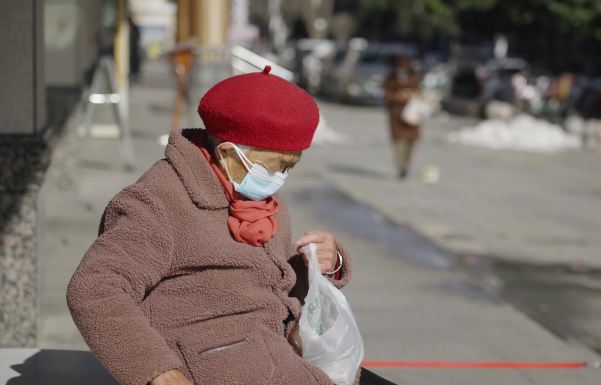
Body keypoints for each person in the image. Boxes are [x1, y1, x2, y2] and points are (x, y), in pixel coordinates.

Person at [66, 66, 395, 385]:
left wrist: (323, 263)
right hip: (215, 364)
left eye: (290, 166)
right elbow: (95, 289)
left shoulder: (263, 202)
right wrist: (157, 371)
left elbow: (270, 282)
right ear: (229, 154)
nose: (279, 178)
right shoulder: (157, 202)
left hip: (278, 354)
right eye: (274, 165)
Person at [383, 55, 421, 180]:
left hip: (412, 115)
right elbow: (385, 95)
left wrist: (411, 95)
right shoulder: (390, 78)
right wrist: (397, 96)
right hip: (396, 114)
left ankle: (406, 166)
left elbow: (419, 92)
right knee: (399, 141)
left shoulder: (414, 77)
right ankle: (400, 167)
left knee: (410, 142)